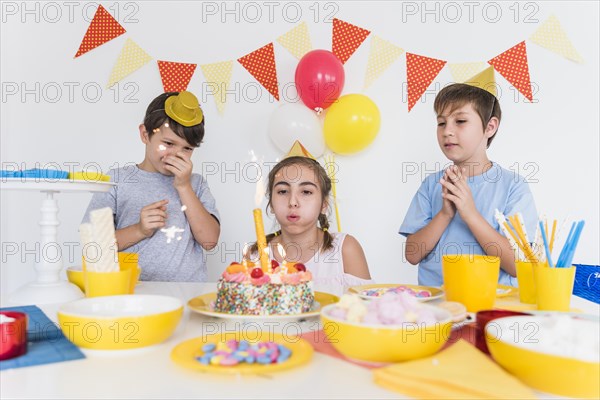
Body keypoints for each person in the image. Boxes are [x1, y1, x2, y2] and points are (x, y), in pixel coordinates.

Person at [400, 83, 537, 287]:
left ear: (490, 127)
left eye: (460, 121)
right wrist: (445, 215)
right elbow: (412, 254)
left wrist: (470, 214)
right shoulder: (431, 184)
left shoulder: (513, 186)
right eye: (441, 123)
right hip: (438, 306)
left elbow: (518, 265)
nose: (447, 131)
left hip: (491, 306)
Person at [82, 91, 220, 281]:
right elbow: (92, 246)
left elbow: (209, 241)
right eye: (168, 143)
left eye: (187, 148)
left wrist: (184, 186)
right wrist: (139, 230)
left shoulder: (196, 184)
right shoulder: (117, 180)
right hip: (132, 291)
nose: (176, 155)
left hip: (188, 293)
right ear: (145, 134)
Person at [249, 146, 372, 293]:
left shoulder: (345, 249)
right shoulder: (257, 254)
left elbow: (365, 308)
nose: (292, 202)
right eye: (282, 191)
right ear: (271, 205)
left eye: (306, 192)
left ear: (323, 205)